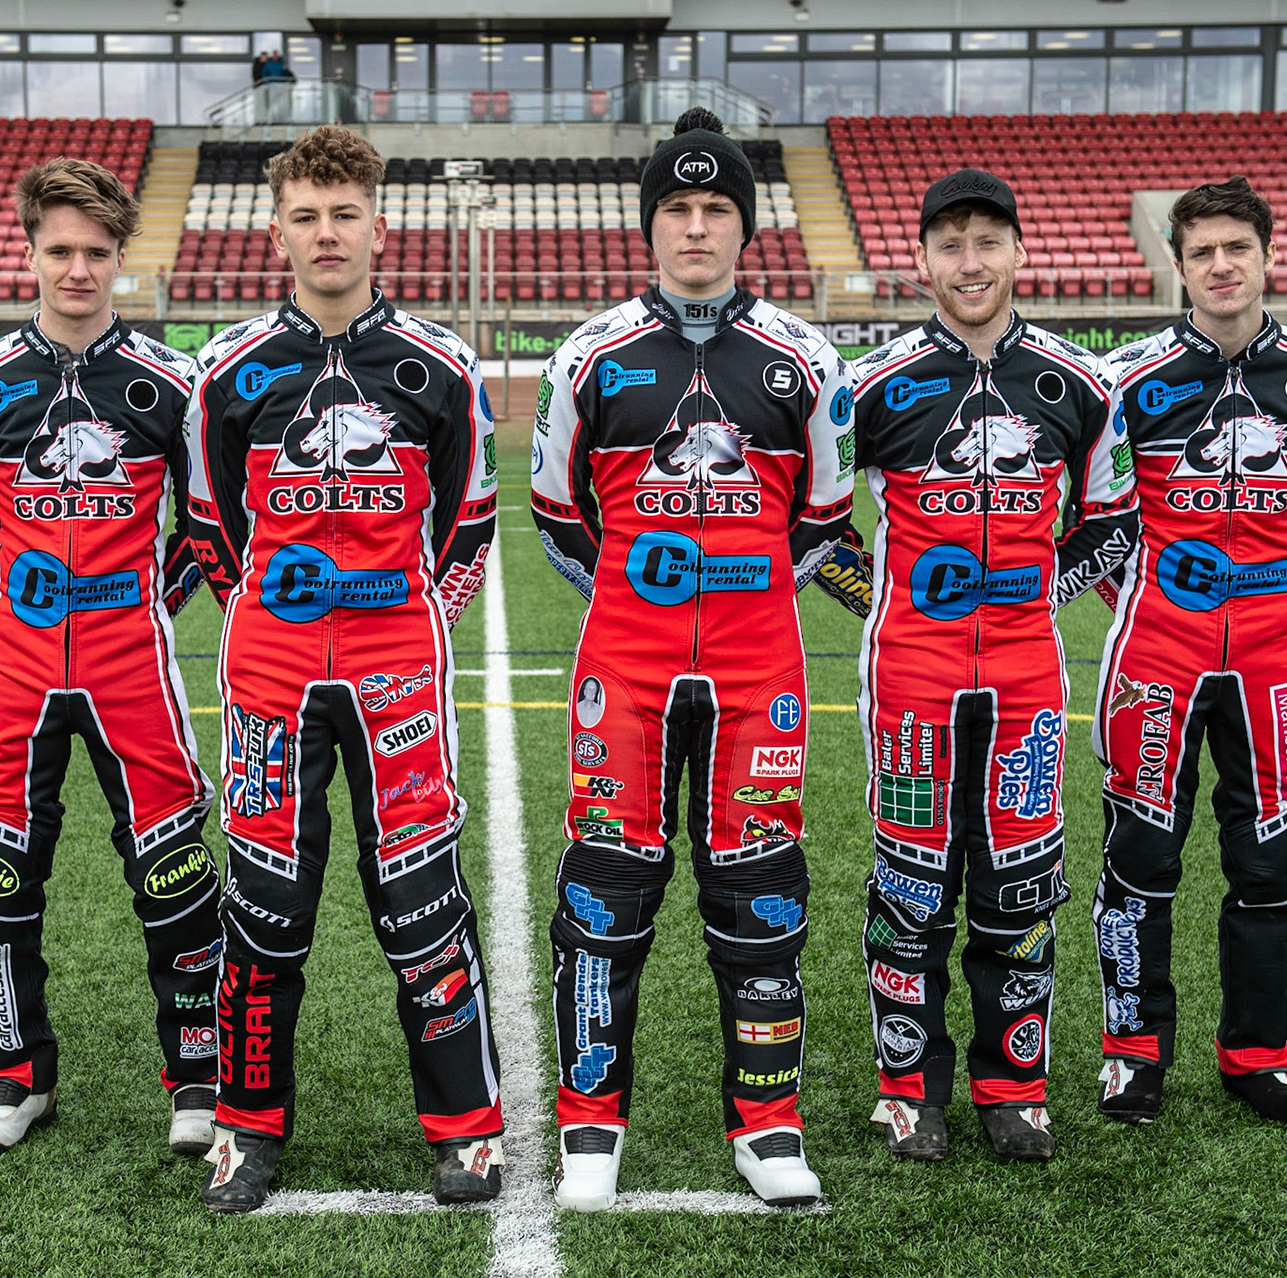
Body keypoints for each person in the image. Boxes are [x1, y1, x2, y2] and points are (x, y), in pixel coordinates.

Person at [530, 107, 855, 1209]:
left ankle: (766, 1124)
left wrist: (744, 597)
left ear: (745, 228)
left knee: (759, 888)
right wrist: (639, 602)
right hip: (623, 669)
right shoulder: (588, 356)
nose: (698, 228)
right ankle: (590, 1121)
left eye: (718, 210)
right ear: (650, 225)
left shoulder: (808, 358)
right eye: (678, 208)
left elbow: (825, 516)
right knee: (607, 890)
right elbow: (556, 515)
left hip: (761, 674)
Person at [183, 124, 502, 1213]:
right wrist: (269, 616)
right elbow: (210, 527)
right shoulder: (228, 370)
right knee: (265, 910)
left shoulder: (440, 365)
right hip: (271, 677)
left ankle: (465, 1129)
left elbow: (470, 522)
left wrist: (409, 618)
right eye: (307, 217)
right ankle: (246, 1128)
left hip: (397, 676)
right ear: (277, 234)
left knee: (421, 901)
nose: (328, 234)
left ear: (380, 226)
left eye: (345, 214)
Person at [814, 169, 1134, 1162]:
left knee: (1023, 885)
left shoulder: (1082, 383)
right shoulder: (869, 385)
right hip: (909, 679)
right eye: (949, 244)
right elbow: (819, 528)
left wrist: (1044, 594)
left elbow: (1115, 521)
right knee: (911, 887)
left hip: (1029, 683)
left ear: (1017, 253)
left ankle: (1014, 1088)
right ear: (921, 260)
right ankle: (910, 1091)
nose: (969, 263)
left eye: (986, 241)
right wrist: (888, 603)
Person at [0, 158, 222, 1157]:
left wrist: (132, 602)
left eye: (97, 253)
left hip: (132, 667)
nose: (78, 270)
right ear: (30, 252)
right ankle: (15, 1077)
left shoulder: (171, 384)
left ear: (121, 260)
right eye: (60, 250)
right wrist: (37, 601)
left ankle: (196, 1077)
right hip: (13, 667)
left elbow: (203, 529)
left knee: (175, 871)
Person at [1087, 176, 1287, 1127]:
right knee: (1138, 858)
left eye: (1236, 249)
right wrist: (1148, 599)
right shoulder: (1122, 379)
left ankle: (1259, 1055)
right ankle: (1133, 1056)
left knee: (1268, 863)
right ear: (1178, 266)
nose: (1219, 266)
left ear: (1266, 257)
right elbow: (1091, 521)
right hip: (1153, 656)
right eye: (1201, 251)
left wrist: (1267, 599)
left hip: (1273, 659)